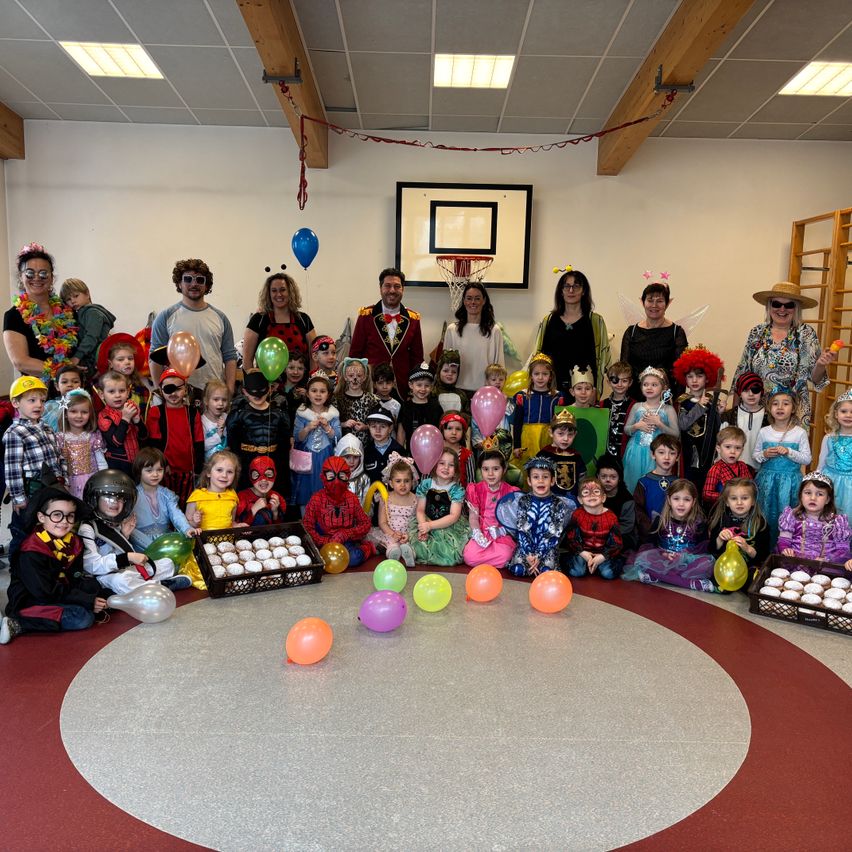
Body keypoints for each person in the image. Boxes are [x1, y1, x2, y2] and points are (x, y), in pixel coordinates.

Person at [1, 484, 107, 644]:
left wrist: (91, 595)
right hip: (34, 600)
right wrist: (86, 600)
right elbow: (45, 591)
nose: (64, 522)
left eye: (70, 516)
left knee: (96, 589)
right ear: (41, 517)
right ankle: (19, 623)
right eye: (57, 515)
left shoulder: (74, 542)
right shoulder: (31, 550)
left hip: (60, 591)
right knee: (82, 618)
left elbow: (75, 577)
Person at [732, 281, 835, 429]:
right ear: (769, 306)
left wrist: (820, 364)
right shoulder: (757, 332)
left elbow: (816, 379)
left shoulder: (806, 334)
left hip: (793, 413)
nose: (782, 309)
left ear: (796, 308)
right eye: (776, 304)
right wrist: (735, 413)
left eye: (789, 305)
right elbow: (742, 373)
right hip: (756, 410)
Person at [78, 469, 189, 594]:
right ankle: (162, 585)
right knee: (121, 581)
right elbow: (91, 565)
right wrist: (127, 557)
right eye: (109, 497)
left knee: (167, 563)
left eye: (120, 498)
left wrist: (124, 536)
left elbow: (116, 552)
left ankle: (145, 584)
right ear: (95, 498)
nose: (115, 502)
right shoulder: (88, 528)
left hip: (124, 570)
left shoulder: (114, 524)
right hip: (104, 576)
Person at [150, 258, 238, 396]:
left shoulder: (220, 318)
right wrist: (159, 391)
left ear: (207, 286)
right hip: (178, 395)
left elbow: (230, 357)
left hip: (213, 395)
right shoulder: (165, 317)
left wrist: (230, 390)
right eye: (188, 279)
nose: (194, 284)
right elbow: (154, 357)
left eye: (200, 280)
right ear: (179, 283)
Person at [3, 376, 66, 561]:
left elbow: (59, 456)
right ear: (16, 403)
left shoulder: (47, 428)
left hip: (52, 488)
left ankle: (43, 563)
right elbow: (12, 469)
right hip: (31, 490)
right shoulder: (15, 433)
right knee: (24, 530)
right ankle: (17, 566)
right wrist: (19, 498)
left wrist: (65, 480)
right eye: (32, 400)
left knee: (46, 529)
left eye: (42, 400)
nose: (38, 404)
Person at [623, 479, 716, 592]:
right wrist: (663, 554)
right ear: (669, 500)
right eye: (676, 499)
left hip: (687, 562)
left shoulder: (699, 523)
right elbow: (649, 544)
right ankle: (692, 583)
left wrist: (683, 557)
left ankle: (657, 576)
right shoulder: (660, 520)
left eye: (687, 499)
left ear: (693, 502)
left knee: (707, 564)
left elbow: (702, 549)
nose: (681, 504)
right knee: (643, 559)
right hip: (664, 560)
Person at [3, 243, 78, 383]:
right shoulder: (13, 316)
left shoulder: (68, 311)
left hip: (74, 389)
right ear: (21, 277)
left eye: (43, 273)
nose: (37, 278)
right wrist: (64, 372)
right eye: (30, 273)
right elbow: (21, 362)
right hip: (37, 391)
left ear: (52, 278)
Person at [532, 268, 611, 400]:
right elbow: (538, 356)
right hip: (552, 390)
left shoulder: (595, 321)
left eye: (576, 286)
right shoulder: (548, 321)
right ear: (561, 291)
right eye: (566, 286)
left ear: (583, 291)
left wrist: (595, 390)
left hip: (584, 391)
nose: (571, 290)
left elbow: (604, 359)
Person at [350, 267, 424, 392]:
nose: (392, 290)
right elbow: (355, 355)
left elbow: (417, 358)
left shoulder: (413, 319)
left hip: (402, 386)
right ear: (380, 289)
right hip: (372, 385)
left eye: (397, 286)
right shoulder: (366, 315)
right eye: (387, 286)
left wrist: (414, 388)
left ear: (403, 289)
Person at [500, 456, 575, 577]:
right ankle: (531, 565)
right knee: (518, 570)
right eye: (536, 477)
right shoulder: (523, 501)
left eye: (545, 477)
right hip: (526, 548)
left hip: (547, 548)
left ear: (552, 481)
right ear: (529, 481)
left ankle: (539, 566)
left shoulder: (558, 504)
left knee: (546, 572)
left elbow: (554, 533)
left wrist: (539, 556)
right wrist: (528, 554)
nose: (540, 481)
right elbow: (521, 529)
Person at [754, 387, 811, 546]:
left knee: (788, 515)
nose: (780, 407)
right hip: (767, 481)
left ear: (793, 408)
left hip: (790, 482)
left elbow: (807, 459)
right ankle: (765, 548)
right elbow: (756, 455)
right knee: (766, 514)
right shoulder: (764, 432)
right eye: (775, 404)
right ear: (769, 408)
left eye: (785, 404)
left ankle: (786, 548)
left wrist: (789, 452)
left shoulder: (799, 433)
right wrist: (765, 454)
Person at [620, 280, 688, 400]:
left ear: (667, 304)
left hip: (665, 398)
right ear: (643, 302)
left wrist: (678, 401)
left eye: (660, 301)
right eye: (650, 300)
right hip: (635, 398)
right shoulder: (631, 332)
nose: (654, 305)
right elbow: (624, 368)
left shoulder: (676, 332)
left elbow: (681, 371)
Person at [146, 367, 204, 506]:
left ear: (185, 389)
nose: (173, 393)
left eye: (178, 389)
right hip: (166, 471)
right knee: (165, 504)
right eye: (168, 389)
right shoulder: (156, 412)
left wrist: (198, 469)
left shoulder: (192, 412)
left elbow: (199, 441)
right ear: (161, 390)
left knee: (185, 504)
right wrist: (161, 464)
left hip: (188, 472)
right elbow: (153, 443)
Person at [226, 370, 291, 494]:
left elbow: (284, 445)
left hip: (273, 461)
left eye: (262, 391)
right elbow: (233, 442)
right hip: (246, 463)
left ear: (269, 389)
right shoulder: (238, 414)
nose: (258, 395)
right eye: (253, 392)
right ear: (245, 392)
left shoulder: (279, 414)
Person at [303, 456, 375, 567]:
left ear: (348, 477)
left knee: (353, 559)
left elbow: (365, 524)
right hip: (322, 538)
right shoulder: (316, 499)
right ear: (323, 477)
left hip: (345, 540)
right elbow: (307, 526)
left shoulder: (351, 499)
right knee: (316, 559)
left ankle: (368, 547)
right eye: (331, 477)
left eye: (341, 477)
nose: (336, 482)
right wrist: (323, 540)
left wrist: (346, 534)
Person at [673, 346, 726, 491]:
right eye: (690, 376)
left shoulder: (712, 401)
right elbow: (683, 424)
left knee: (708, 483)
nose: (694, 380)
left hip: (709, 452)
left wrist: (719, 414)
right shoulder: (682, 401)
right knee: (689, 484)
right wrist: (700, 406)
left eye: (699, 376)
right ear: (685, 379)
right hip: (689, 452)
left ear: (707, 378)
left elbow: (716, 429)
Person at [242, 269, 316, 370]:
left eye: (282, 290)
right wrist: (252, 379)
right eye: (274, 291)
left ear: (290, 292)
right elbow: (247, 360)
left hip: (301, 379)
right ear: (268, 294)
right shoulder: (258, 320)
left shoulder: (304, 319)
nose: (279, 294)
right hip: (266, 379)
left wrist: (313, 378)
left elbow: (314, 356)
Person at [409, 448, 470, 566]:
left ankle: (421, 553)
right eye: (442, 463)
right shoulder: (426, 485)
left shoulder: (456, 490)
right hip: (426, 520)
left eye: (451, 465)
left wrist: (430, 526)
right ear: (434, 465)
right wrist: (423, 526)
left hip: (447, 525)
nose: (446, 468)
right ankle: (411, 552)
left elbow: (454, 516)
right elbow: (420, 510)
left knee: (448, 551)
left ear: (456, 470)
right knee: (419, 541)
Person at [622, 366, 679, 493]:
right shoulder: (637, 406)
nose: (649, 387)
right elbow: (626, 429)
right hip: (635, 451)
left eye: (654, 385)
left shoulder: (668, 409)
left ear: (663, 388)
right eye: (645, 384)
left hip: (656, 453)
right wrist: (637, 426)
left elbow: (676, 434)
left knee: (652, 485)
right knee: (633, 483)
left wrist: (659, 424)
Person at [708, 478, 770, 592]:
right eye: (733, 498)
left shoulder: (760, 523)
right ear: (727, 502)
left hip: (747, 567)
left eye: (745, 498)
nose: (739, 502)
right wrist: (719, 539)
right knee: (709, 571)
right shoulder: (720, 520)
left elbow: (763, 555)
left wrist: (747, 548)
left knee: (756, 582)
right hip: (724, 568)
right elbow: (711, 549)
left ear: (753, 501)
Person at [291, 371, 341, 513]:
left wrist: (327, 427)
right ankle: (306, 519)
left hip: (326, 456)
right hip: (307, 456)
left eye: (322, 391)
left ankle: (325, 520)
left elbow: (337, 437)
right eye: (314, 391)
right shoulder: (302, 413)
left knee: (326, 486)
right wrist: (307, 428)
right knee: (305, 489)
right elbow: (297, 437)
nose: (318, 395)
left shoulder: (333, 414)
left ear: (328, 394)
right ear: (307, 394)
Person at [776, 472, 852, 565]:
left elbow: (843, 550)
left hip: (825, 567)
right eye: (808, 493)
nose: (813, 498)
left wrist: (828, 559)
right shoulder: (792, 516)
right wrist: (785, 549)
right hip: (795, 563)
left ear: (827, 499)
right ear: (801, 496)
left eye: (820, 494)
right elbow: (784, 541)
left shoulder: (837, 522)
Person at [442, 282, 504, 395]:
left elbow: (499, 366)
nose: (473, 302)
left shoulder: (494, 330)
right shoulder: (452, 330)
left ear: (484, 301)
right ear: (464, 301)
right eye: (469, 298)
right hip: (457, 391)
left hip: (485, 391)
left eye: (477, 298)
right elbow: (445, 364)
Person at [462, 450, 518, 569]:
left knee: (506, 555)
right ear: (480, 470)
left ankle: (493, 559)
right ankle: (491, 560)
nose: (490, 474)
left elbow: (514, 521)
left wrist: (502, 531)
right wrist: (477, 533)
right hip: (482, 532)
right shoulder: (475, 490)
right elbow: (473, 517)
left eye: (496, 469)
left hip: (501, 535)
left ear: (504, 469)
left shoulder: (511, 492)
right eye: (486, 469)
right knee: (469, 556)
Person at [563, 476, 623, 580]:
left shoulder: (611, 517)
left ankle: (599, 565)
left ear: (603, 497)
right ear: (580, 499)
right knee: (577, 572)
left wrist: (602, 556)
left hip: (603, 553)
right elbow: (571, 538)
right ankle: (586, 564)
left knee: (608, 574)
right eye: (586, 492)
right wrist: (583, 553)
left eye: (596, 491)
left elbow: (617, 543)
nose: (591, 495)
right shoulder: (577, 515)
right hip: (582, 552)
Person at [512, 352, 565, 467]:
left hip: (548, 438)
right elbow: (517, 423)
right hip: (528, 439)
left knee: (547, 467)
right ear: (531, 376)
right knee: (528, 468)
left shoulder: (556, 397)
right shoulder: (523, 396)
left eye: (545, 374)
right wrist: (516, 446)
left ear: (550, 376)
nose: (540, 377)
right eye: (536, 374)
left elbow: (559, 424)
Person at [365, 453, 418, 567]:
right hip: (390, 533)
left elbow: (416, 521)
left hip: (408, 533)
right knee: (391, 544)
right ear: (391, 483)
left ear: (412, 481)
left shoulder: (415, 499)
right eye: (398, 481)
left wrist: (409, 534)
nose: (403, 485)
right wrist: (393, 534)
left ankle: (409, 554)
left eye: (406, 481)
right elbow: (382, 522)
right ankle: (393, 553)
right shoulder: (385, 498)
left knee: (412, 544)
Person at [55, 388, 107, 499]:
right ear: (65, 414)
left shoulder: (93, 436)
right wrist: (61, 456)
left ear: (90, 414)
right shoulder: (59, 438)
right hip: (69, 483)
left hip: (91, 481)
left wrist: (103, 480)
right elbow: (56, 466)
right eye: (73, 411)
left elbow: (101, 462)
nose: (79, 416)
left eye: (84, 412)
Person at [59, 278, 115, 378]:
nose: (73, 301)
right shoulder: (80, 314)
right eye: (68, 299)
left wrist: (77, 357)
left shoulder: (92, 312)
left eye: (76, 296)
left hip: (92, 361)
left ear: (87, 294)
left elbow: (91, 336)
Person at [97, 370, 147, 475]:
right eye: (111, 392)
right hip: (117, 464)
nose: (117, 395)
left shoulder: (131, 407)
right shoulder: (104, 416)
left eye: (122, 391)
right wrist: (125, 419)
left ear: (128, 392)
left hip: (137, 461)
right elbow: (116, 442)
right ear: (102, 394)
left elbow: (144, 437)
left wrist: (138, 421)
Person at [634, 435, 681, 543]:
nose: (667, 457)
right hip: (649, 535)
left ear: (678, 457)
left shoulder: (680, 483)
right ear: (653, 454)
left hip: (673, 536)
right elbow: (638, 510)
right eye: (661, 452)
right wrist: (650, 529)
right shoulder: (644, 482)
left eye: (672, 453)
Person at [186, 450, 243, 532]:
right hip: (204, 539)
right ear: (209, 472)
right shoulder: (197, 496)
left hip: (227, 539)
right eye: (219, 470)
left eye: (229, 472)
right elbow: (186, 524)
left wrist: (237, 526)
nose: (224, 475)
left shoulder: (232, 495)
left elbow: (231, 522)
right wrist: (195, 523)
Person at [720, 372, 767, 471]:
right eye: (745, 390)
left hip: (761, 471)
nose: (751, 394)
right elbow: (721, 445)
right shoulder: (729, 416)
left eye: (755, 390)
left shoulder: (769, 417)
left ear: (761, 392)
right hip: (733, 470)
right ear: (740, 393)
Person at [817, 389, 852, 519]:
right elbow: (821, 464)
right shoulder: (829, 438)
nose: (848, 415)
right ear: (836, 414)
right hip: (831, 482)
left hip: (850, 486)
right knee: (829, 515)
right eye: (844, 411)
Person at [537, 408, 585, 499]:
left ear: (575, 434)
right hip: (548, 501)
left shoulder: (576, 456)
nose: (566, 438)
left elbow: (582, 481)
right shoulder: (543, 455)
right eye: (560, 434)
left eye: (570, 434)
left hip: (573, 501)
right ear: (551, 432)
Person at [702, 426, 754, 509]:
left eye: (737, 448)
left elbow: (751, 486)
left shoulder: (743, 466)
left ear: (742, 450)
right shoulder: (716, 469)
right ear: (718, 448)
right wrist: (727, 496)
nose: (732, 451)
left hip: (743, 507)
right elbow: (706, 494)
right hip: (723, 509)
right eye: (728, 447)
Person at [97, 333, 151, 411]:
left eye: (130, 358)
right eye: (121, 359)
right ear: (110, 364)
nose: (127, 362)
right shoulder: (102, 389)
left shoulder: (142, 390)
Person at [396, 362, 442, 451]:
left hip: (432, 451)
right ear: (411, 385)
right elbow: (401, 433)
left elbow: (441, 430)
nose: (423, 389)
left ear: (431, 387)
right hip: (411, 453)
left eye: (427, 385)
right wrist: (399, 453)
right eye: (419, 385)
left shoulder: (435, 407)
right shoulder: (406, 407)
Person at [597, 454, 638, 552]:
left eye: (613, 477)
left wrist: (606, 533)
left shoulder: (626, 499)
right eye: (603, 476)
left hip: (621, 534)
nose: (608, 480)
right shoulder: (594, 495)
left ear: (619, 478)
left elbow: (627, 525)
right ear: (597, 476)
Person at [335, 357, 380, 443]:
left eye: (359, 376)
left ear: (364, 377)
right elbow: (332, 423)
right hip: (344, 445)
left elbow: (378, 423)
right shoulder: (337, 399)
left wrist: (366, 427)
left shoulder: (372, 400)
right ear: (345, 377)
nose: (355, 379)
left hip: (365, 445)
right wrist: (344, 424)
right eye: (351, 376)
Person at [235, 455, 287, 527]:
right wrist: (254, 510)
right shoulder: (242, 497)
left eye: (268, 474)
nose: (263, 479)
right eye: (256, 475)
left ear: (275, 475)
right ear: (251, 477)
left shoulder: (277, 498)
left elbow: (278, 529)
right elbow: (238, 527)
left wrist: (275, 512)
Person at [601, 362, 634, 458]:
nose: (620, 384)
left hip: (625, 455)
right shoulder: (601, 405)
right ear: (608, 382)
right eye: (615, 380)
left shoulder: (635, 406)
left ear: (630, 382)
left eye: (624, 381)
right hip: (604, 456)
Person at [363, 411, 404, 483]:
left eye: (383, 426)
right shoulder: (366, 452)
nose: (378, 430)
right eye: (373, 426)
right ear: (369, 427)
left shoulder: (399, 450)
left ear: (390, 428)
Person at [42, 365, 84, 432]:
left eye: (75, 382)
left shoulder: (86, 406)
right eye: (64, 382)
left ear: (81, 385)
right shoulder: (49, 406)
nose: (70, 385)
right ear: (57, 386)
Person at [440, 412, 474, 487]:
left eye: (458, 429)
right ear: (442, 430)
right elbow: (426, 478)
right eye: (449, 428)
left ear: (463, 432)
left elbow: (471, 481)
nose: (454, 432)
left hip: (460, 493)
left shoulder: (468, 455)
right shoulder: (435, 452)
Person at [432, 349, 470, 416]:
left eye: (454, 372)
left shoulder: (462, 395)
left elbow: (467, 414)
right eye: (445, 371)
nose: (450, 374)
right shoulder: (432, 393)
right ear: (439, 372)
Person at [335, 433, 370, 503]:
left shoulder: (364, 479)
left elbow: (367, 504)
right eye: (347, 457)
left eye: (355, 457)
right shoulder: (333, 478)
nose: (351, 461)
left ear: (361, 458)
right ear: (339, 457)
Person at [201, 379, 230, 461]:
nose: (221, 403)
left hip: (226, 460)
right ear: (206, 401)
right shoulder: (202, 421)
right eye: (216, 399)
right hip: (209, 464)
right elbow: (202, 446)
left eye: (224, 400)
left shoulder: (226, 417)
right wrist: (218, 434)